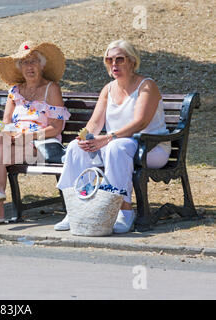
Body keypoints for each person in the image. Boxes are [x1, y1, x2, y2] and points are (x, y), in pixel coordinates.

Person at [55, 40, 172, 233]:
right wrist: (83, 137)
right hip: (116, 145)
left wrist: (108, 138)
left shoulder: (146, 86)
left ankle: (124, 211)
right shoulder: (108, 89)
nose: (114, 64)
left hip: (150, 148)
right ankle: (76, 208)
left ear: (132, 62)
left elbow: (140, 123)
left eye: (120, 59)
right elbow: (94, 124)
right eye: (109, 60)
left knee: (117, 147)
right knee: (77, 149)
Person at [0, 40, 71, 227]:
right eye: (24, 62)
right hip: (14, 143)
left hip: (41, 144)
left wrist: (29, 136)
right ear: (19, 67)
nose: (29, 66)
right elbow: (7, 124)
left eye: (33, 61)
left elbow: (56, 128)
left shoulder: (52, 89)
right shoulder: (15, 91)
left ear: (42, 64)